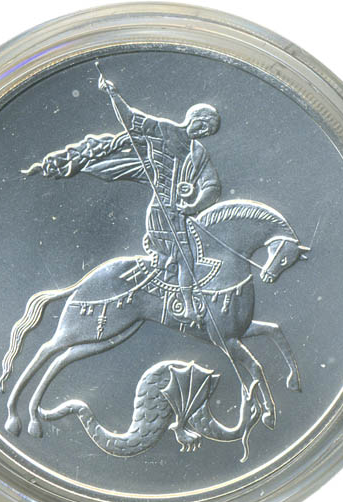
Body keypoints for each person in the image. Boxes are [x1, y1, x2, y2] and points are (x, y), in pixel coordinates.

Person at [23, 72, 222, 323]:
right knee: (185, 257)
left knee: (191, 253)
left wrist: (195, 205)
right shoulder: (163, 130)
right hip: (161, 211)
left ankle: (166, 282)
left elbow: (212, 185)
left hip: (180, 212)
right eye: (204, 126)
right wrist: (113, 94)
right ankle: (187, 307)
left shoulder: (197, 152)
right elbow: (131, 119)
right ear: (194, 119)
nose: (204, 132)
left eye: (208, 132)